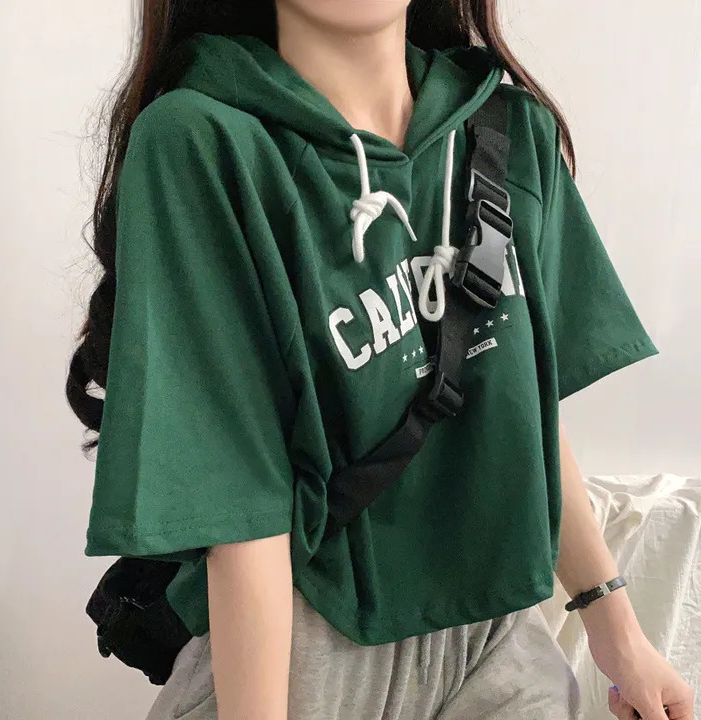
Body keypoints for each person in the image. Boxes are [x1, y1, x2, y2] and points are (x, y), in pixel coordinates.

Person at [66, 1, 695, 719]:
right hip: (306, 643)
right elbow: (241, 503)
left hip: (498, 635)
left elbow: (522, 413)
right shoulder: (206, 141)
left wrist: (619, 634)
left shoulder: (508, 130)